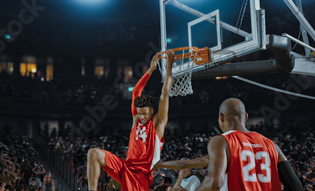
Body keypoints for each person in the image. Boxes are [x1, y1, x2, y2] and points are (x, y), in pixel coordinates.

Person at [155, 98, 303, 191]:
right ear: (245, 117)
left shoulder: (221, 141)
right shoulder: (272, 145)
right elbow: (296, 186)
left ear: (221, 117)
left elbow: (214, 184)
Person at [87, 50, 175, 191]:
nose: (142, 116)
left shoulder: (158, 124)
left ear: (152, 111)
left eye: (145, 113)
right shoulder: (136, 119)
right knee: (93, 153)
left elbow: (165, 93)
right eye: (140, 113)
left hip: (142, 176)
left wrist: (169, 67)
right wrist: (151, 70)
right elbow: (135, 92)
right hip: (126, 166)